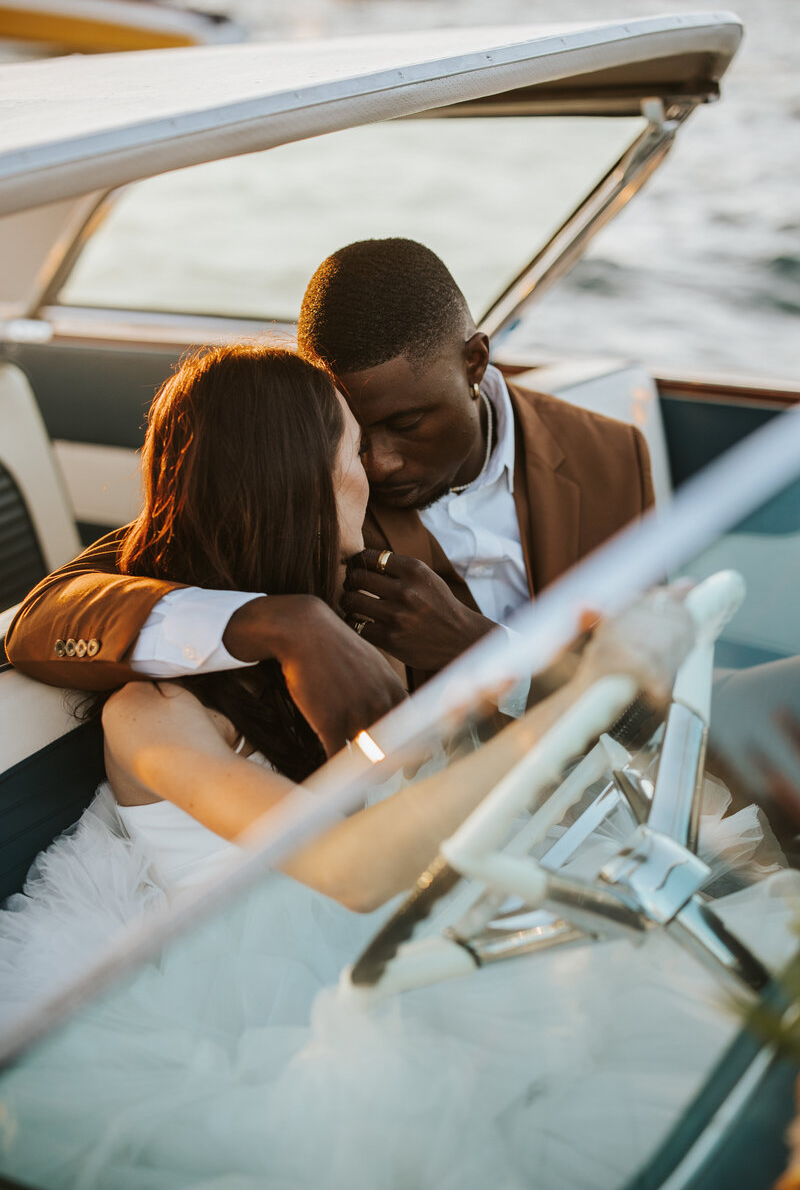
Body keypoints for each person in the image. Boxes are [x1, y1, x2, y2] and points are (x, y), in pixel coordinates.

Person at [0, 343, 796, 1190]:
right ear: (297, 478)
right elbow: (345, 868)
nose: (374, 476)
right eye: (352, 452)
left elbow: (401, 783)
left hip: (409, 939)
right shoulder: (153, 715)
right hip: (294, 1018)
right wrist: (580, 695)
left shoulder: (353, 624)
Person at [4, 239, 653, 720]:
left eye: (410, 422)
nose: (382, 463)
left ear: (475, 361)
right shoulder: (317, 483)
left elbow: (645, 689)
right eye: (358, 435)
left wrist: (477, 648)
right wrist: (285, 623)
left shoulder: (614, 457)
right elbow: (42, 620)